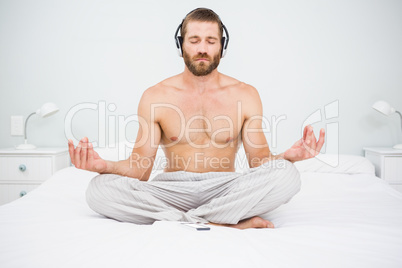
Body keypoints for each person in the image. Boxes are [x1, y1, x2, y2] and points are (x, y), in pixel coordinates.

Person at [68, 8, 325, 229]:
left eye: (211, 41)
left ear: (223, 46)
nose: (202, 49)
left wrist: (289, 157)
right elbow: (140, 170)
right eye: (194, 40)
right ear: (181, 45)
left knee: (288, 176)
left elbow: (259, 162)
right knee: (98, 190)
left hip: (226, 187)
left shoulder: (245, 95)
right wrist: (104, 167)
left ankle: (185, 221)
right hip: (172, 189)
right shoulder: (155, 96)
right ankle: (221, 221)